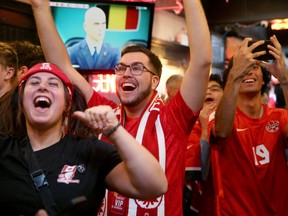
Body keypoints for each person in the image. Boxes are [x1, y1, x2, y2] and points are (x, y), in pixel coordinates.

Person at [30, 0, 212, 215]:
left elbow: (201, 61)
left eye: (137, 69)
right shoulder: (105, 113)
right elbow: (62, 66)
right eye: (122, 68)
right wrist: (40, 7)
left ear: (155, 81)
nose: (126, 73)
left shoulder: (173, 117)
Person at [0, 62, 167, 216]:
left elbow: (155, 186)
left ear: (67, 104)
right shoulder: (4, 148)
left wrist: (115, 130)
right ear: (21, 101)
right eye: (34, 82)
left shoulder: (90, 152)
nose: (42, 87)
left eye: (53, 84)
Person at [201, 35, 288, 215]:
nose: (248, 72)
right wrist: (234, 73)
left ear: (264, 79)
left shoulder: (279, 117)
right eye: (243, 68)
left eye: (254, 67)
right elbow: (222, 132)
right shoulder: (215, 115)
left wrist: (285, 81)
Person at [183, 74, 224, 216]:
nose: (208, 92)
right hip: (203, 202)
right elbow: (200, 170)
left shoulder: (236, 120)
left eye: (214, 89)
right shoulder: (188, 125)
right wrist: (205, 128)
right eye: (204, 89)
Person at [67, 6, 120, 70]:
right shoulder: (72, 52)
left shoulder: (114, 53)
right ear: (85, 26)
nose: (101, 28)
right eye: (96, 24)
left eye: (103, 23)